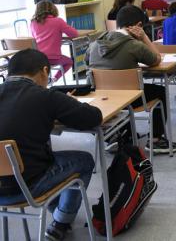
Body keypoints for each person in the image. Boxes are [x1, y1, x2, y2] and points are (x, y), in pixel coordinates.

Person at [0, 49, 102, 241]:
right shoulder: (46, 97)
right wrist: (69, 102)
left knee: (44, 157)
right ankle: (61, 222)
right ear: (45, 71)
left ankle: (59, 210)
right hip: (26, 187)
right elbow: (93, 117)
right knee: (84, 160)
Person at [87, 5, 176, 154]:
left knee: (119, 92)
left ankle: (118, 135)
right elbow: (157, 59)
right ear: (138, 26)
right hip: (129, 98)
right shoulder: (134, 45)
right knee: (160, 92)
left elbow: (88, 62)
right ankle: (156, 140)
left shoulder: (94, 44)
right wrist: (144, 37)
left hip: (102, 99)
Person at [30, 0, 79, 82]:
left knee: (43, 67)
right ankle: (54, 78)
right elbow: (74, 34)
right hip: (53, 58)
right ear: (53, 9)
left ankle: (45, 80)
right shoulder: (58, 21)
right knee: (69, 62)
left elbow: (33, 38)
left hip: (38, 59)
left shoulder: (33, 23)